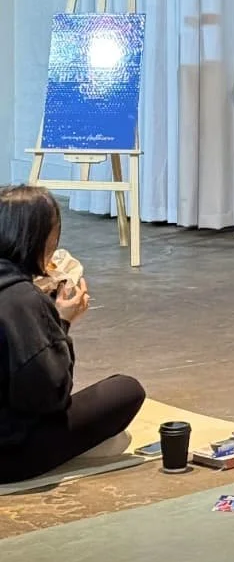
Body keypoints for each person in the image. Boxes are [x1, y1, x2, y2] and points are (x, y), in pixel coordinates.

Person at [0, 184, 145, 484]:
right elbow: (49, 397)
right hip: (10, 456)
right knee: (126, 390)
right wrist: (60, 323)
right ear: (40, 239)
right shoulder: (22, 299)